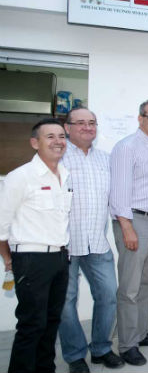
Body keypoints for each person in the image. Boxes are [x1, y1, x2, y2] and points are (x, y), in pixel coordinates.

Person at [0, 118, 71, 373]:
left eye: (62, 136)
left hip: (60, 258)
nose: (58, 141)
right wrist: (10, 259)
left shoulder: (65, 175)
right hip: (31, 259)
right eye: (50, 136)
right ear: (34, 142)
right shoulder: (21, 177)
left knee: (51, 322)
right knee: (32, 325)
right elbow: (2, 225)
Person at [58, 108, 123, 373]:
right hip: (64, 245)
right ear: (67, 127)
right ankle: (75, 355)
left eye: (92, 123)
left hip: (97, 242)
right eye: (81, 123)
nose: (87, 127)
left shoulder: (105, 160)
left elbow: (116, 199)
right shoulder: (57, 158)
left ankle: (101, 349)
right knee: (65, 302)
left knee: (108, 295)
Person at [109, 99, 148, 366]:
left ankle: (140, 333)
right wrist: (127, 228)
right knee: (130, 288)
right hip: (133, 223)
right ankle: (127, 344)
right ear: (140, 118)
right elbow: (119, 192)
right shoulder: (127, 147)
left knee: (147, 284)